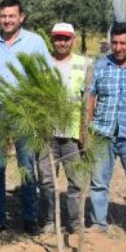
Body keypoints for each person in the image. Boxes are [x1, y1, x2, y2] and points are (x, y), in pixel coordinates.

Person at [0, 0, 51, 234]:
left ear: (22, 17)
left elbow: (43, 78)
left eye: (12, 16)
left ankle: (30, 217)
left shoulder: (35, 42)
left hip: (24, 111)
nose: (7, 20)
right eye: (3, 16)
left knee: (26, 164)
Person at [86, 22, 126, 237]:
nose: (118, 48)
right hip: (103, 133)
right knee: (98, 182)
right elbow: (90, 98)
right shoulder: (100, 66)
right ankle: (98, 223)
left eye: (123, 43)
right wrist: (86, 128)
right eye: (115, 43)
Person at [36, 23, 88, 234]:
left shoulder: (83, 64)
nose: (62, 42)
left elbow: (88, 99)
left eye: (66, 38)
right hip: (46, 132)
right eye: (58, 38)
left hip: (73, 133)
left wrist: (85, 129)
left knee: (75, 181)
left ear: (73, 40)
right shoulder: (43, 64)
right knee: (47, 180)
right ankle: (49, 220)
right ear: (52, 40)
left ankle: (75, 223)